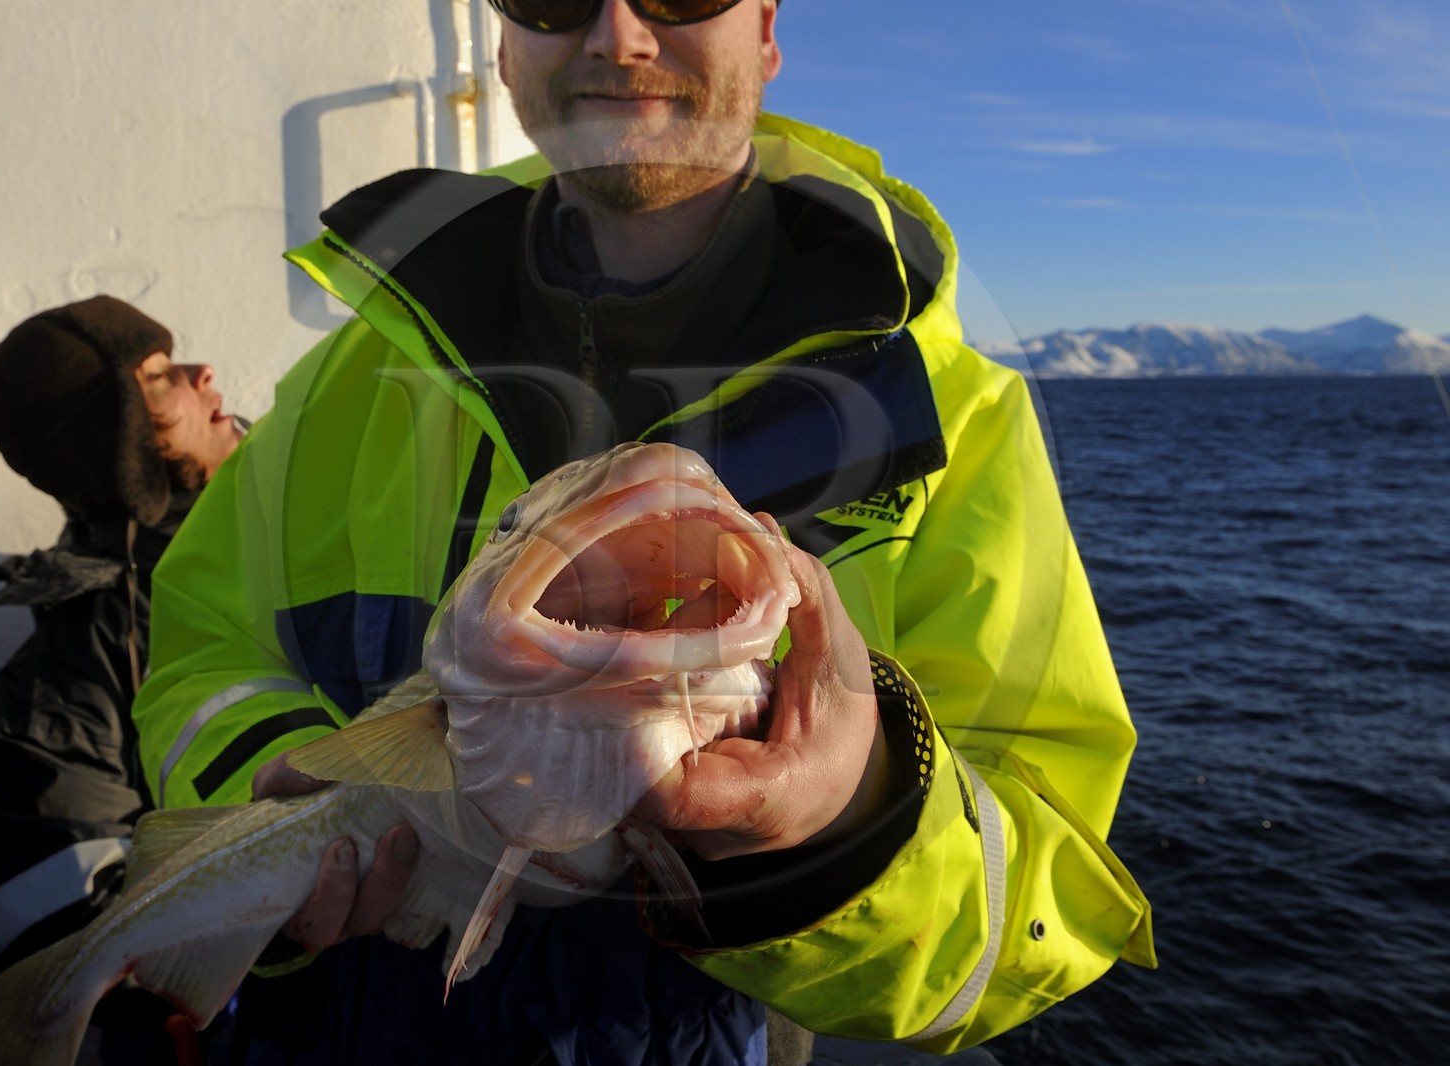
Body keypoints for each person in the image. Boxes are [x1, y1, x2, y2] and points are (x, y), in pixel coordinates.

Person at [133, 1, 1156, 1062]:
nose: (617, 36)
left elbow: (1038, 897)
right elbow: (201, 645)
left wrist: (835, 827)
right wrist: (277, 796)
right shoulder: (340, 384)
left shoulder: (950, 416)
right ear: (501, 44)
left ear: (765, 31)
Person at [0, 295, 245, 1064]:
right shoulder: (73, 663)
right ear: (115, 441)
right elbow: (44, 914)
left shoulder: (289, 532)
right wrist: (270, 979)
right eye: (156, 374)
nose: (204, 373)